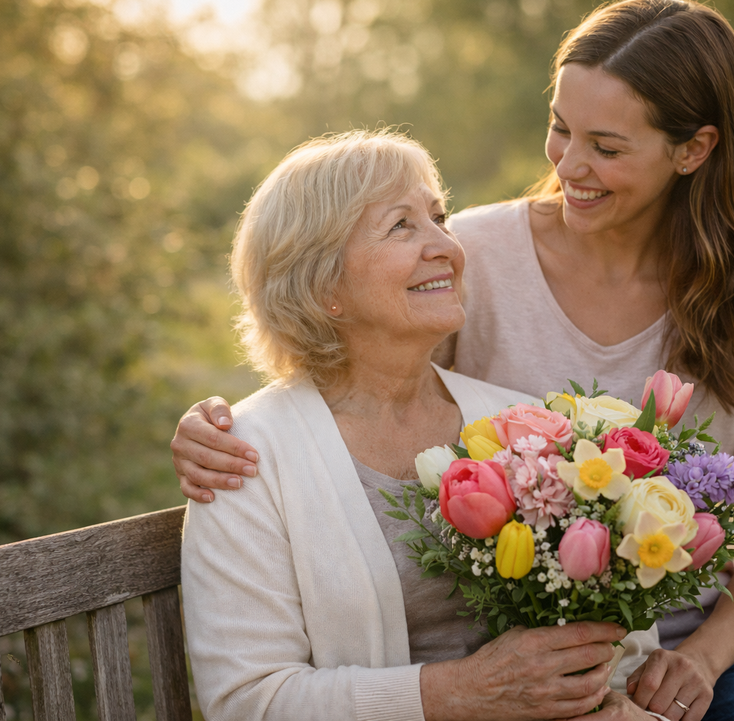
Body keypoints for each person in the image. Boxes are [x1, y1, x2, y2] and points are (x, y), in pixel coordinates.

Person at [174, 0, 734, 721]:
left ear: (693, 149)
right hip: (524, 665)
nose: (570, 164)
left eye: (607, 147)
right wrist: (216, 428)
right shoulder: (476, 253)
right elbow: (339, 372)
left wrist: (695, 663)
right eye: (560, 128)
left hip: (682, 648)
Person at [181, 129, 671, 720]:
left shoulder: (524, 427)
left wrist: (609, 698)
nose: (446, 245)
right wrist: (462, 693)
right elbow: (248, 701)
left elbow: (624, 638)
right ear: (324, 285)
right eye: (401, 226)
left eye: (439, 218)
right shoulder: (243, 458)